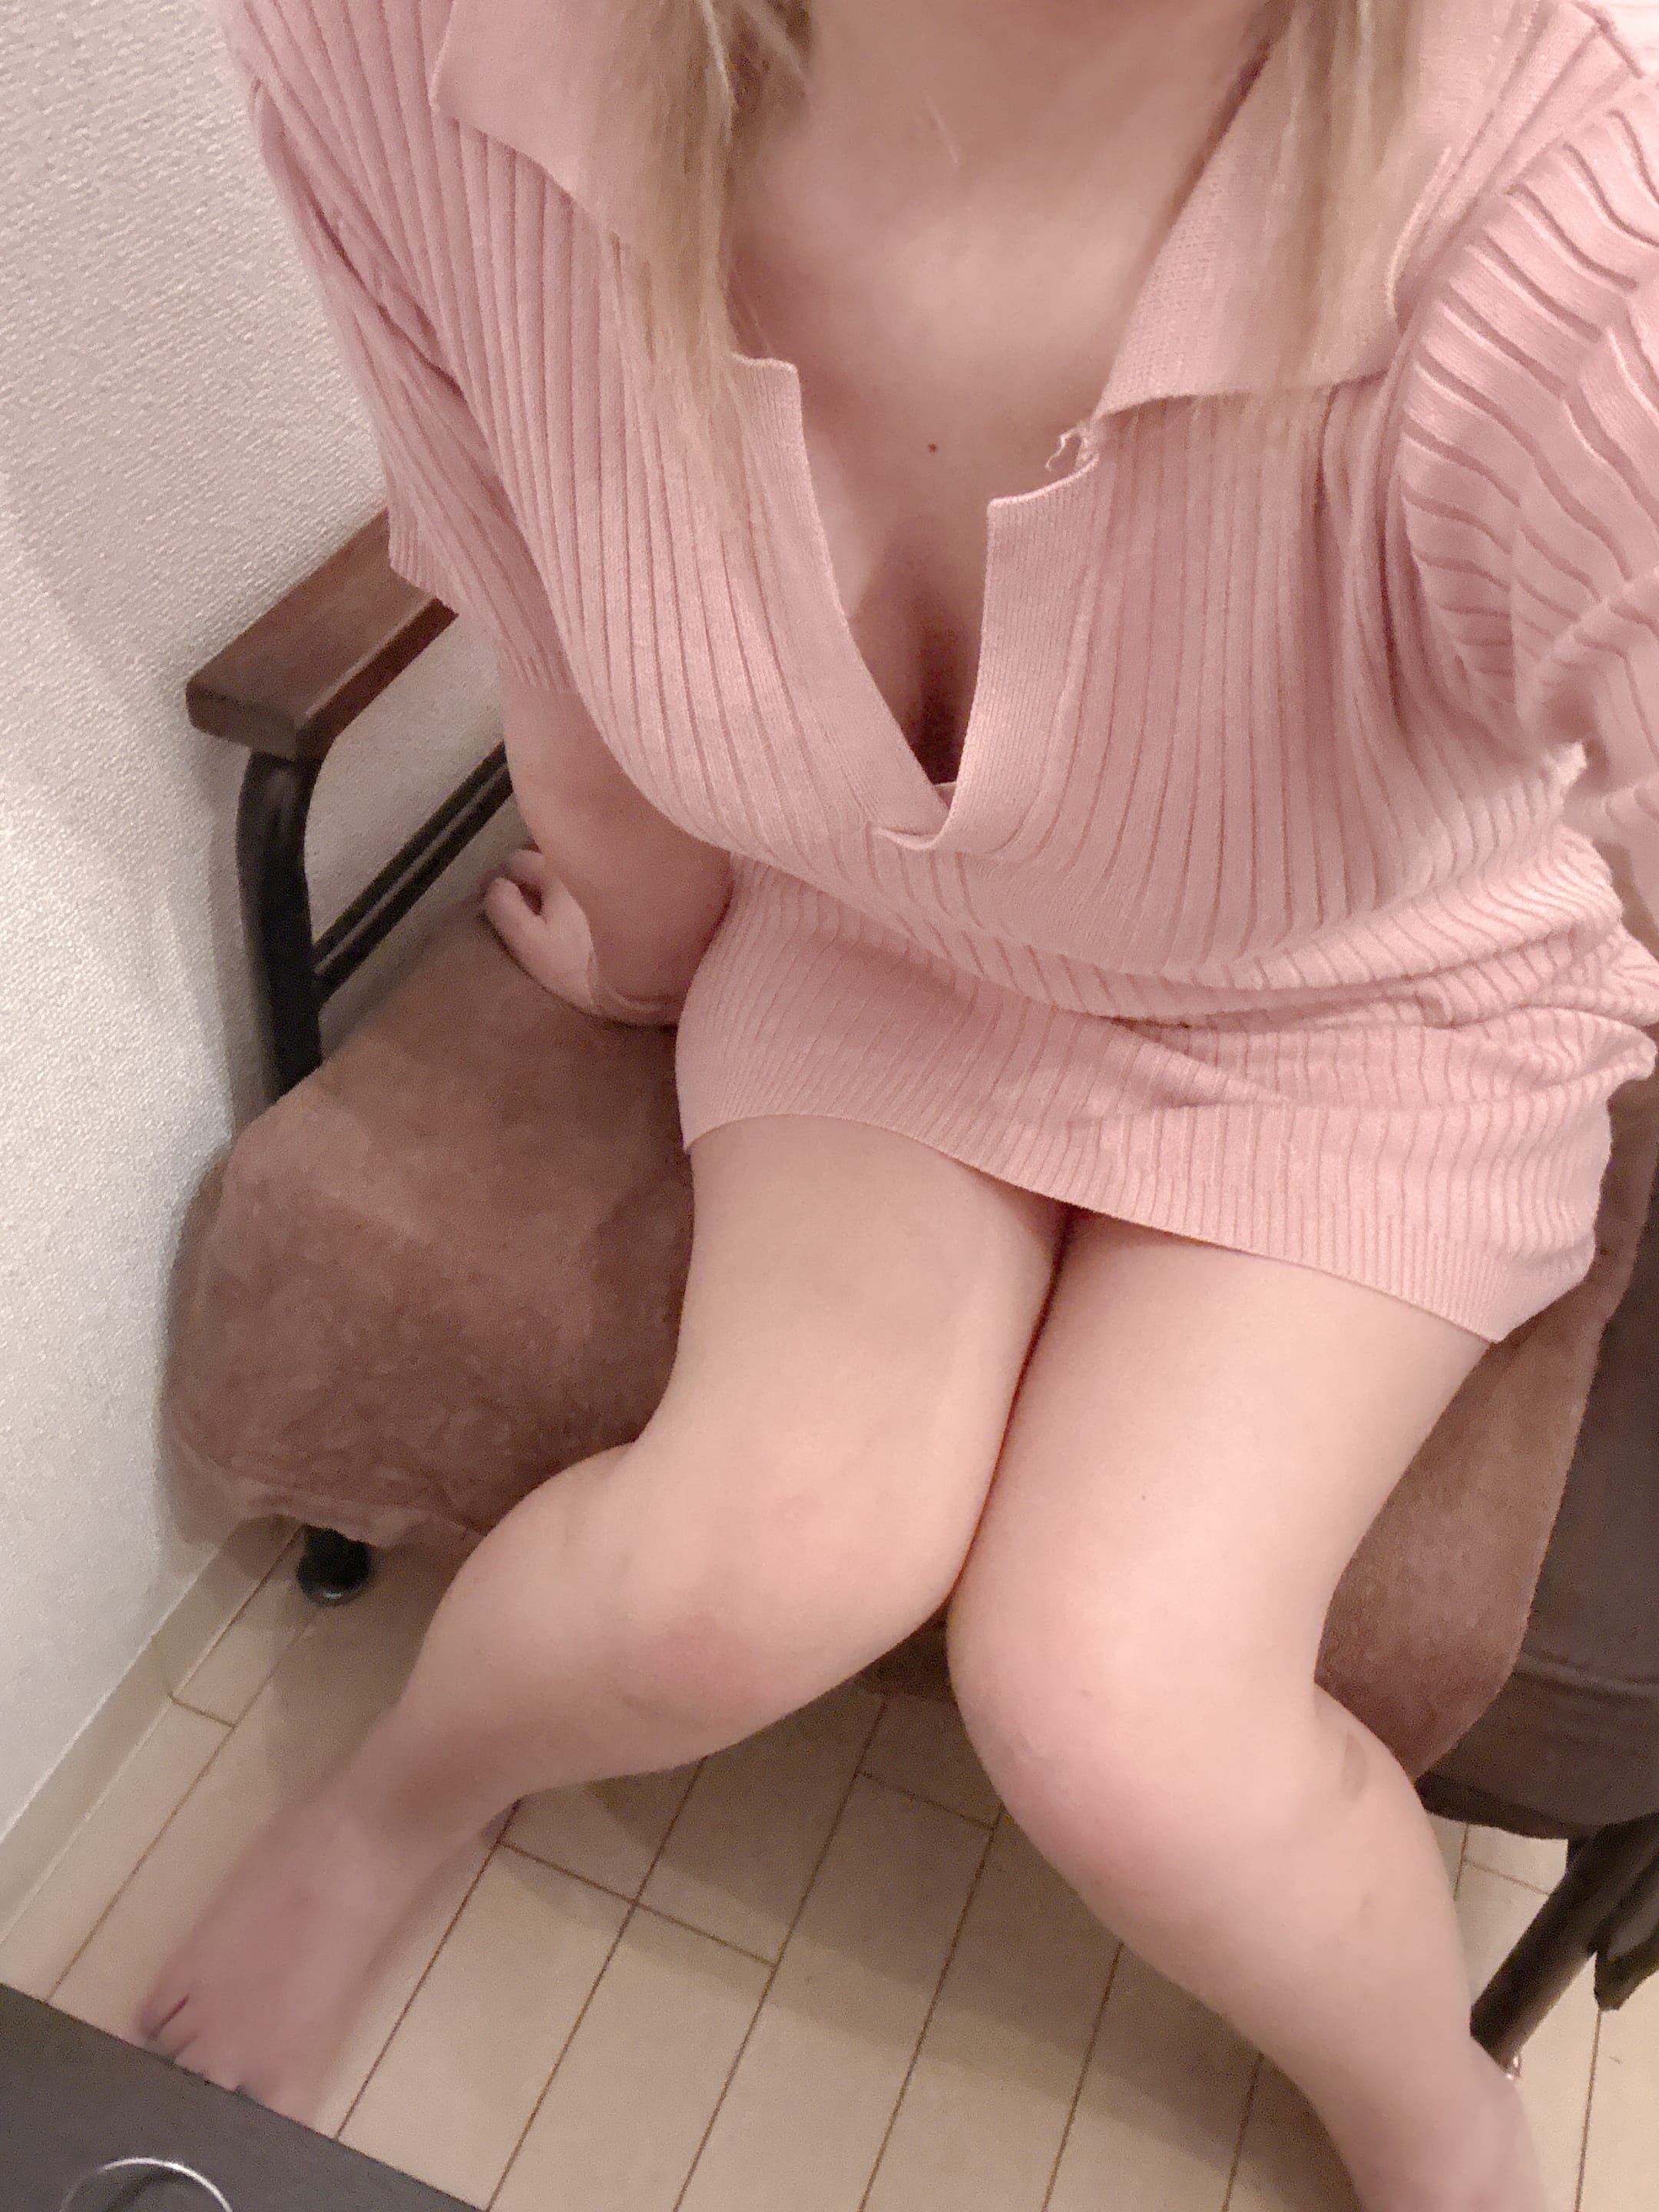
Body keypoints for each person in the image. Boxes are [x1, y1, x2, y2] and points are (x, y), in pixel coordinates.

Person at [144, 0, 1659, 2203]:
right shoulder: (402, 46)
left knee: (1125, 1709)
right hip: (873, 922)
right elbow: (550, 633)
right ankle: (385, 1810)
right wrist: (646, 956)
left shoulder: (1569, 192)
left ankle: (1441, 2119)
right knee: (736, 1568)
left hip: (1369, 1002)